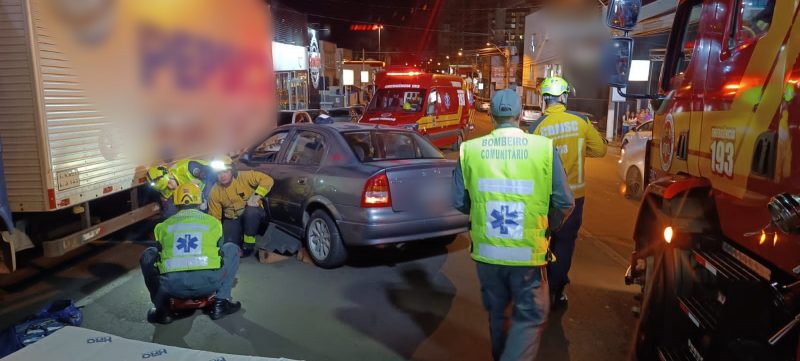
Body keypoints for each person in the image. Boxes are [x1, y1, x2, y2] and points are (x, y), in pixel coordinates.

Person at [453, 88, 575, 361]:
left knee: (498, 314)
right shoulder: (543, 149)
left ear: (492, 117)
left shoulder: (470, 150)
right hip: (528, 255)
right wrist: (549, 226)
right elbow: (565, 202)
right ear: (520, 116)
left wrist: (481, 213)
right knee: (530, 317)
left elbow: (459, 201)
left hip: (487, 254)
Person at [528, 76, 608, 309]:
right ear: (563, 97)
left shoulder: (536, 128)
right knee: (564, 243)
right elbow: (600, 150)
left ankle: (538, 287)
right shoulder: (581, 121)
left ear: (544, 99)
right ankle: (556, 289)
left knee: (541, 240)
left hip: (546, 197)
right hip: (574, 196)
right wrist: (579, 150)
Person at [140, 183, 242, 324]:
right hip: (210, 284)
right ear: (200, 202)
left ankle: (163, 311)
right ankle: (220, 304)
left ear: (175, 203)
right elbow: (219, 251)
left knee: (148, 254)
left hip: (172, 288)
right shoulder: (213, 223)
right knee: (231, 248)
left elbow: (160, 254)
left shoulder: (162, 227)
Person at [208, 156, 274, 257]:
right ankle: (237, 239)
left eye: (225, 172)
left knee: (251, 212)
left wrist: (256, 196)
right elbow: (214, 219)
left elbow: (267, 180)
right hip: (233, 218)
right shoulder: (214, 192)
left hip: (252, 214)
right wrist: (213, 240)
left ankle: (248, 246)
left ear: (232, 171)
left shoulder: (244, 176)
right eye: (219, 173)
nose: (222, 176)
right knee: (227, 247)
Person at [146, 159, 215, 217]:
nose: (170, 187)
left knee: (206, 206)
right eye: (166, 187)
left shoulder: (188, 168)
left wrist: (204, 198)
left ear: (171, 175)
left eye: (169, 183)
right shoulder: (163, 187)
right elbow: (167, 203)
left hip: (208, 180)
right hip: (192, 191)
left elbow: (211, 175)